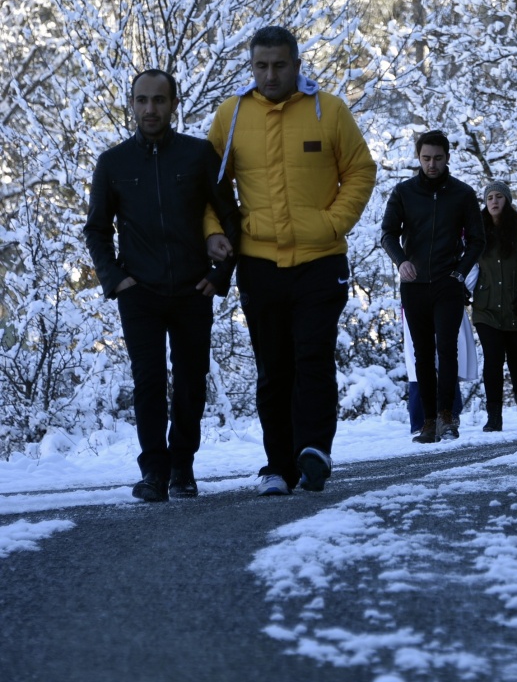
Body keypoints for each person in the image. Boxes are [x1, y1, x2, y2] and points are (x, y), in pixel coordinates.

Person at [206, 26, 376, 496]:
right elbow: (210, 187)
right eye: (261, 65)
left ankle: (314, 451)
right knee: (273, 366)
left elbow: (361, 171)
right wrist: (214, 232)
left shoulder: (330, 111)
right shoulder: (232, 115)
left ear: (298, 65)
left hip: (321, 261)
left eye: (280, 65)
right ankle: (277, 466)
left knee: (313, 356)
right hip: (258, 262)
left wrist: (332, 223)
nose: (270, 74)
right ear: (251, 66)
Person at [84, 69, 241, 502]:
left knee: (192, 382)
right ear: (131, 104)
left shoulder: (198, 155)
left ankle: (183, 468)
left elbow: (231, 216)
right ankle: (153, 471)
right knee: (148, 382)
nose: (149, 108)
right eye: (141, 100)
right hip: (141, 294)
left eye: (158, 100)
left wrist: (219, 276)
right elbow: (96, 230)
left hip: (194, 290)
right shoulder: (113, 163)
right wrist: (117, 280)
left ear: (174, 103)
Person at [381, 131, 484, 444]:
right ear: (418, 157)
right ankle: (427, 421)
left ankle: (447, 418)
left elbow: (478, 240)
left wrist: (460, 272)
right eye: (426, 158)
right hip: (414, 284)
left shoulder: (462, 194)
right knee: (423, 354)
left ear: (447, 157)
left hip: (447, 283)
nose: (432, 164)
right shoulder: (404, 192)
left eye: (438, 158)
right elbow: (387, 234)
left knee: (447, 349)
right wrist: (401, 261)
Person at [470, 181, 517, 431]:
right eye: (490, 197)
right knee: (492, 360)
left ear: (507, 201)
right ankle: (494, 415)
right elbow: (466, 261)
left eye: (499, 196)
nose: (494, 201)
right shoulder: (476, 230)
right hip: (486, 308)